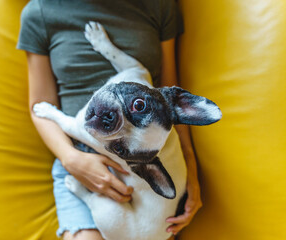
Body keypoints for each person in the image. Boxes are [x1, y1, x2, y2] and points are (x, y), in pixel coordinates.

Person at [17, 0, 202, 239]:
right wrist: (72, 160)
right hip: (80, 156)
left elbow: (171, 101)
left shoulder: (159, 6)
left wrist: (190, 171)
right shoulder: (40, 12)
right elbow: (40, 107)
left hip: (151, 163)